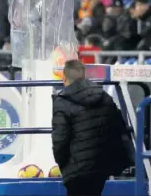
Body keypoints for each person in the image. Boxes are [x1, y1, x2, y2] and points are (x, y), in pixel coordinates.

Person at [52, 60, 132, 196]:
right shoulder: (104, 96)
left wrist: (64, 165)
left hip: (75, 169)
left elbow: (60, 141)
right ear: (83, 75)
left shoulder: (62, 102)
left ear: (64, 78)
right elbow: (118, 128)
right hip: (101, 166)